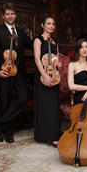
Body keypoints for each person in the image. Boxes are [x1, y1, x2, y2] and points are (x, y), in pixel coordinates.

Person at [0, 3, 33, 143]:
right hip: (5, 71)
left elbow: (32, 44)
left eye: (12, 14)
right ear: (3, 16)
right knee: (5, 102)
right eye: (7, 14)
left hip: (19, 71)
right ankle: (7, 132)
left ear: (15, 15)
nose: (10, 16)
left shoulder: (20, 31)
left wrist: (47, 41)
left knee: (23, 97)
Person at [33, 15, 61, 147]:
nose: (51, 26)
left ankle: (54, 133)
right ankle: (45, 135)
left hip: (54, 76)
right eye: (48, 23)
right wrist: (44, 75)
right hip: (42, 76)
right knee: (45, 105)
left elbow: (57, 60)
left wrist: (59, 64)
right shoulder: (38, 40)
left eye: (53, 24)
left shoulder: (55, 41)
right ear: (42, 25)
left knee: (53, 106)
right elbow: (38, 60)